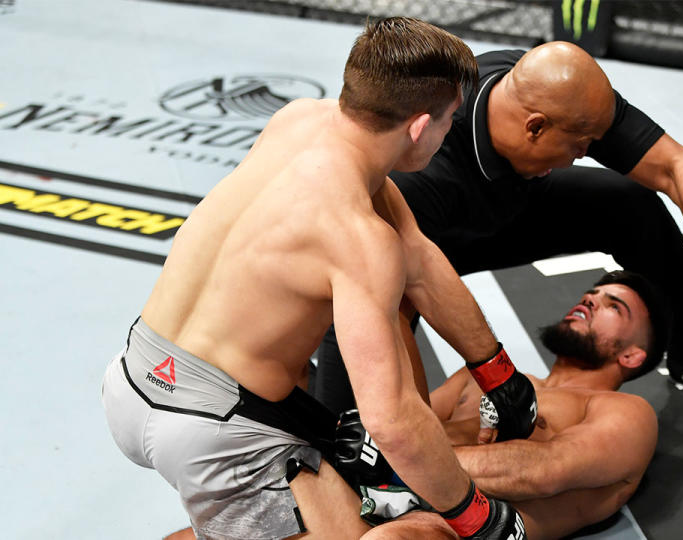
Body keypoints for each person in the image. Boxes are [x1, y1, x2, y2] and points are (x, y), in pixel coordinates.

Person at [101, 18, 535, 540]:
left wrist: (499, 375)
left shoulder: (300, 121)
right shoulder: (357, 239)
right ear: (420, 126)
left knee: (347, 496)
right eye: (449, 121)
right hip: (211, 432)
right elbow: (392, 420)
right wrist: (477, 517)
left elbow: (419, 257)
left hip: (137, 375)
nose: (449, 136)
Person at [314, 40, 683, 415]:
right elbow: (361, 308)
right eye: (579, 147)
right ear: (535, 127)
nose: (584, 155)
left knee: (629, 202)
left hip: (505, 204)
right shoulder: (426, 169)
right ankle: (338, 431)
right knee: (379, 326)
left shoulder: (557, 91)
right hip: (421, 238)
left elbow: (672, 165)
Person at [340, 270, 667, 540]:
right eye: (592, 295)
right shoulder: (478, 379)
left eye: (614, 306)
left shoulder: (626, 411)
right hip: (370, 497)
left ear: (632, 355)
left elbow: (542, 471)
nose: (590, 300)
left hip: (450, 530)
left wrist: (399, 462)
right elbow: (407, 419)